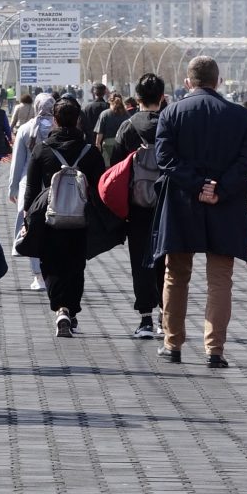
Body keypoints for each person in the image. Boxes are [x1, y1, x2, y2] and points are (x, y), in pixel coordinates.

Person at [152, 56, 247, 367]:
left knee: (175, 275)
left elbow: (165, 158)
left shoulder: (171, 113)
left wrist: (196, 184)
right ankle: (215, 349)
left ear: (188, 83)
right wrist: (219, 188)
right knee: (220, 279)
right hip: (225, 207)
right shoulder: (242, 118)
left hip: (182, 204)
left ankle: (172, 344)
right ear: (219, 82)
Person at [23, 97, 106, 338]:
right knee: (75, 264)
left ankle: (60, 308)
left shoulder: (43, 149)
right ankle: (70, 309)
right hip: (81, 217)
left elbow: (31, 186)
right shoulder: (90, 152)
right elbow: (101, 185)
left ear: (55, 120)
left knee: (51, 262)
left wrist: (28, 213)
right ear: (78, 119)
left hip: (50, 216)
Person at [110, 73, 167, 339]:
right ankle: (166, 317)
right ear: (162, 97)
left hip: (137, 206)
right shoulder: (171, 125)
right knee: (165, 262)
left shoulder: (128, 127)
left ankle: (145, 318)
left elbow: (116, 169)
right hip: (167, 206)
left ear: (138, 98)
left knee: (140, 261)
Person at [8, 93, 55, 291]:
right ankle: (51, 269)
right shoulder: (58, 128)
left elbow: (17, 161)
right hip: (55, 185)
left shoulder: (26, 129)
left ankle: (38, 275)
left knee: (31, 228)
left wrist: (12, 187)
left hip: (29, 185)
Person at [93, 93, 127, 167]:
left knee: (108, 167)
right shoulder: (126, 114)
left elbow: (100, 133)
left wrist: (98, 145)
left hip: (108, 144)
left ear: (109, 101)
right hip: (123, 144)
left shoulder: (104, 114)